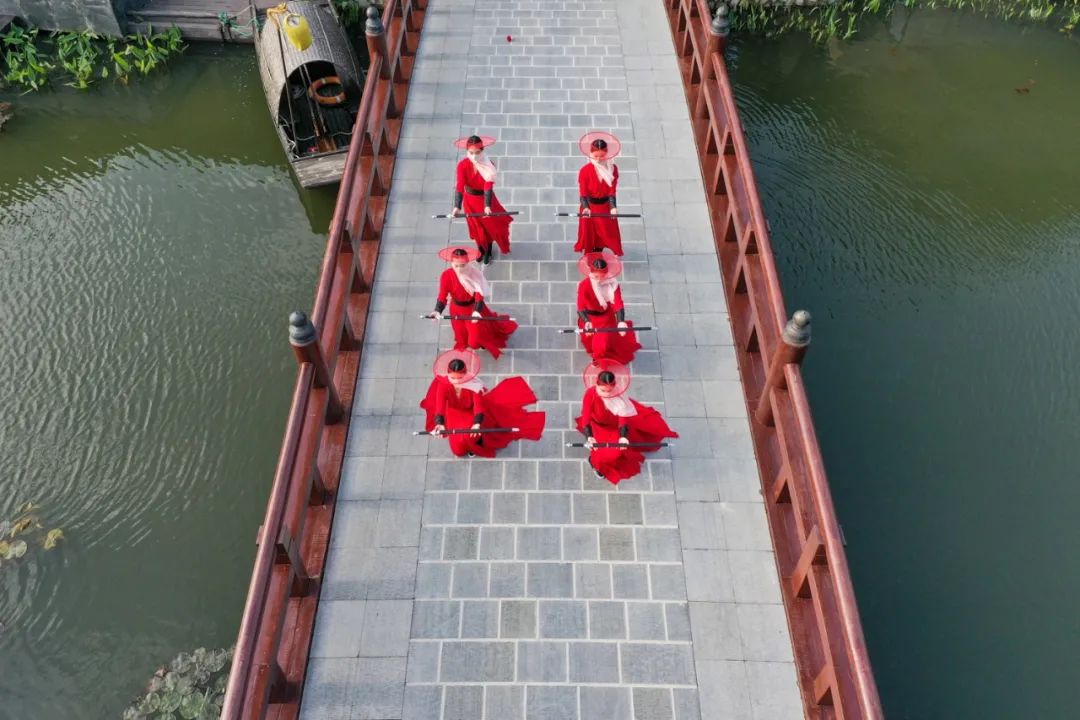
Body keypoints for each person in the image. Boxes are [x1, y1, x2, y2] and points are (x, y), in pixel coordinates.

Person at [420, 349, 545, 458]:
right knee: (457, 451)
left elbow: (478, 407)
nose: (457, 382)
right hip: (454, 414)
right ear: (448, 375)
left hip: (472, 412)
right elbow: (440, 406)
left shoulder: (474, 385)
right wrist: (440, 424)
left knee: (472, 436)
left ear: (465, 375)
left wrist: (476, 423)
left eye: (460, 378)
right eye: (453, 378)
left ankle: (478, 441)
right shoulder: (443, 385)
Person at [576, 360, 677, 484]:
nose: (607, 394)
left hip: (614, 425)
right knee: (603, 452)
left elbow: (623, 417)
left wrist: (623, 436)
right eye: (603, 391)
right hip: (598, 425)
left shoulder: (619, 393)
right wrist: (589, 436)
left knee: (620, 448)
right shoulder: (590, 394)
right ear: (597, 385)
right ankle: (593, 461)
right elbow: (585, 415)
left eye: (609, 391)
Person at [428, 246, 517, 358]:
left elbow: (479, 295)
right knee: (461, 335)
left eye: (463, 265)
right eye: (456, 266)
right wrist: (437, 310)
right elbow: (442, 296)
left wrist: (476, 311)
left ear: (467, 262)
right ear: (451, 263)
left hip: (473, 308)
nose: (459, 269)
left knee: (474, 343)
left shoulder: (474, 274)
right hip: (456, 309)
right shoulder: (446, 276)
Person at [452, 134, 513, 265]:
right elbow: (460, 184)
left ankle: (488, 250)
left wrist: (487, 205)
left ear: (482, 150)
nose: (474, 156)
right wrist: (457, 206)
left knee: (489, 227)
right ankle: (481, 249)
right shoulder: (462, 165)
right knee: (476, 228)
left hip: (485, 200)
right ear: (467, 151)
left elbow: (488, 185)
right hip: (470, 201)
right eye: (471, 152)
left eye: (477, 152)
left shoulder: (489, 165)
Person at [576, 252, 641, 364]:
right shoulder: (584, 285)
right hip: (591, 318)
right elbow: (580, 306)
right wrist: (586, 321)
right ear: (592, 272)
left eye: (602, 275)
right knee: (589, 340)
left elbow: (618, 303)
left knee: (601, 344)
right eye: (597, 276)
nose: (600, 279)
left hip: (606, 318)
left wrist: (620, 321)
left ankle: (597, 359)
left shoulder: (612, 284)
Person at [575, 131, 623, 257]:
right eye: (595, 156)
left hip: (605, 206)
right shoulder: (585, 171)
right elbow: (583, 193)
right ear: (591, 154)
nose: (598, 159)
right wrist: (585, 207)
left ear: (607, 154)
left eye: (602, 156)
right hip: (590, 206)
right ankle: (592, 253)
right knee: (591, 231)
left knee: (608, 230)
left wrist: (613, 207)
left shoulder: (613, 169)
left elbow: (612, 189)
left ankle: (605, 247)